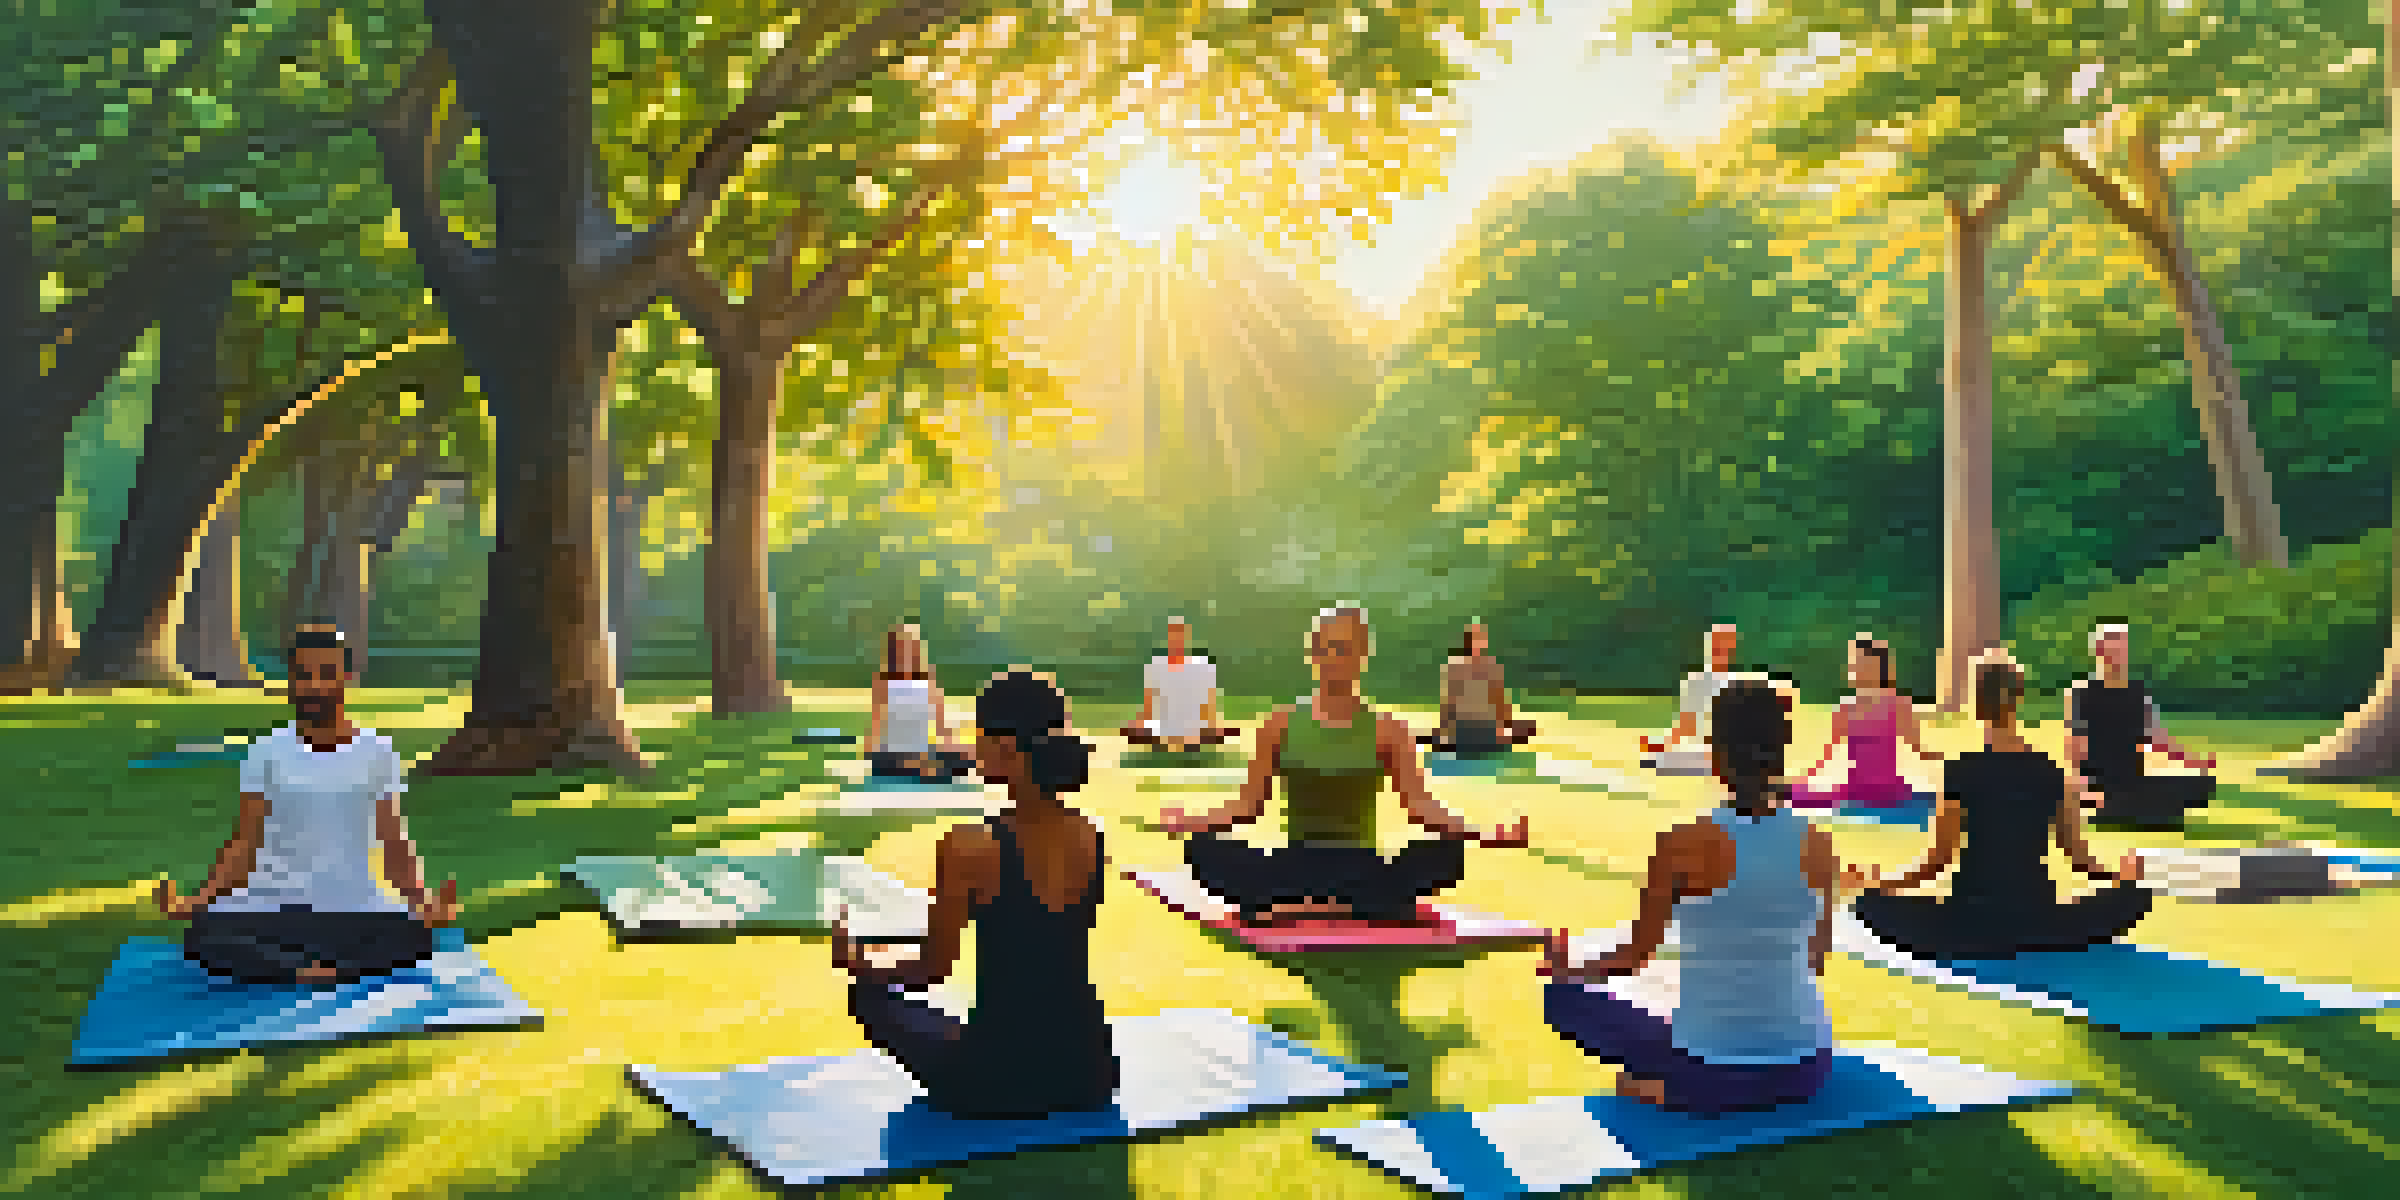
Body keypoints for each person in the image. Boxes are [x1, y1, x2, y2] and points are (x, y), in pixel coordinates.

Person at [1539, 677, 1839, 1115]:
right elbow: (1816, 959)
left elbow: (1635, 956)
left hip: (1710, 1070)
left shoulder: (1681, 842)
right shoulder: (1816, 841)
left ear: (1715, 756)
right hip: (1805, 1068)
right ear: (1780, 754)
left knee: (1561, 996)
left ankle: (1668, 1089)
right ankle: (1684, 1085)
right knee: (1674, 1000)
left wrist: (1571, 968)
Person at [831, 669, 1118, 1118]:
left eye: (977, 736)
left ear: (1004, 749)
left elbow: (931, 969)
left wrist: (860, 961)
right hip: (1090, 1074)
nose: (970, 746)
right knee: (956, 1022)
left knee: (868, 997)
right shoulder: (1091, 834)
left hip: (997, 1080)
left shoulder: (970, 844)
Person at [1156, 607, 1530, 925]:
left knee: (1447, 853)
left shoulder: (1389, 731)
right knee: (1204, 849)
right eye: (1329, 649)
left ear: (1363, 655)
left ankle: (1303, 907)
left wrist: (1483, 833)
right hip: (1297, 863)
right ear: (1313, 654)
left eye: (1348, 650)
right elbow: (1248, 807)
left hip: (1361, 865)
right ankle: (1356, 908)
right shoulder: (1279, 725)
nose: (1338, 659)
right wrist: (1189, 822)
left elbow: (1419, 806)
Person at [155, 623, 460, 985]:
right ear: (291, 681)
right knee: (203, 936)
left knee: (416, 936)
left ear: (346, 678)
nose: (314, 686)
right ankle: (310, 970)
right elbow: (244, 843)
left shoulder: (378, 752)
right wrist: (198, 901)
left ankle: (310, 967)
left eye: (326, 675)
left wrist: (423, 902)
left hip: (350, 907)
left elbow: (394, 841)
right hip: (275, 905)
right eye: (304, 676)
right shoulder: (265, 751)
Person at [1851, 650, 2151, 960]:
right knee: (2135, 898)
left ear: (1974, 705)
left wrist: (1880, 882)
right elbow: (2079, 859)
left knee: (1868, 903)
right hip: (2038, 918)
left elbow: (1936, 863)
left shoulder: (1958, 771)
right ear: (2018, 699)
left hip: (1971, 920)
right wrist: (2121, 878)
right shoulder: (2052, 771)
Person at [2066, 624, 2216, 831]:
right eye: (2110, 648)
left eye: (2120, 649)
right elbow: (2075, 749)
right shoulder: (2081, 692)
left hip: (2133, 781)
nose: (2116, 655)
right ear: (2098, 651)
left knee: (2203, 784)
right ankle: (2124, 811)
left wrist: (2194, 762)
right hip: (2099, 786)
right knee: (2144, 807)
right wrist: (2081, 789)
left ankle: (2134, 813)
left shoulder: (2138, 693)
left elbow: (2159, 742)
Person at [1787, 635, 1940, 818]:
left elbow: (1919, 748)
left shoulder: (1899, 705)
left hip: (1888, 790)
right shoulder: (1847, 708)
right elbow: (1830, 753)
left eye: (1861, 664)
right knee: (1794, 793)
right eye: (1854, 664)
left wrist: (1945, 766)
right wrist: (1806, 780)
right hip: (1857, 788)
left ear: (1878, 668)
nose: (1855, 670)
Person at [866, 624, 976, 780]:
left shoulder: (929, 682)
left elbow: (941, 725)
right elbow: (876, 726)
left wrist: (958, 748)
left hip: (921, 753)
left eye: (911, 645)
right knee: (890, 763)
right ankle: (923, 770)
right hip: (892, 754)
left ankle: (923, 769)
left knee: (965, 760)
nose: (906, 652)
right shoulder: (883, 683)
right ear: (893, 651)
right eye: (901, 647)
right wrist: (871, 751)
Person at [1640, 625, 1754, 775]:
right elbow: (1685, 726)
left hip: (1722, 751)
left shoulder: (1739, 685)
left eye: (1726, 646)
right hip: (1701, 749)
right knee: (1656, 751)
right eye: (1718, 645)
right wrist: (1662, 743)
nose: (1721, 651)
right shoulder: (1697, 681)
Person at [1120, 617, 1237, 750]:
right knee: (1129, 730)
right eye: (1173, 635)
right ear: (1168, 638)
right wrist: (1139, 723)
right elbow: (1148, 705)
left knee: (1226, 731)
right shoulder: (1156, 666)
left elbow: (1209, 704)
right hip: (1163, 727)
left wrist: (1211, 726)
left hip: (1194, 727)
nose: (1176, 640)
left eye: (1180, 635)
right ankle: (1180, 741)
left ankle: (1186, 740)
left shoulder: (1202, 666)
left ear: (1187, 637)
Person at [1423, 622, 1538, 755]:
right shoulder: (1455, 666)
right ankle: (1458, 742)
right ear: (1467, 642)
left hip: (1486, 727)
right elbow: (1449, 703)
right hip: (1466, 728)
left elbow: (1500, 702)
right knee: (1509, 735)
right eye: (1475, 639)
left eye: (1480, 640)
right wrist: (1446, 729)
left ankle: (1451, 742)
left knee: (1528, 727)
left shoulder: (1491, 666)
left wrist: (1504, 725)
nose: (1477, 644)